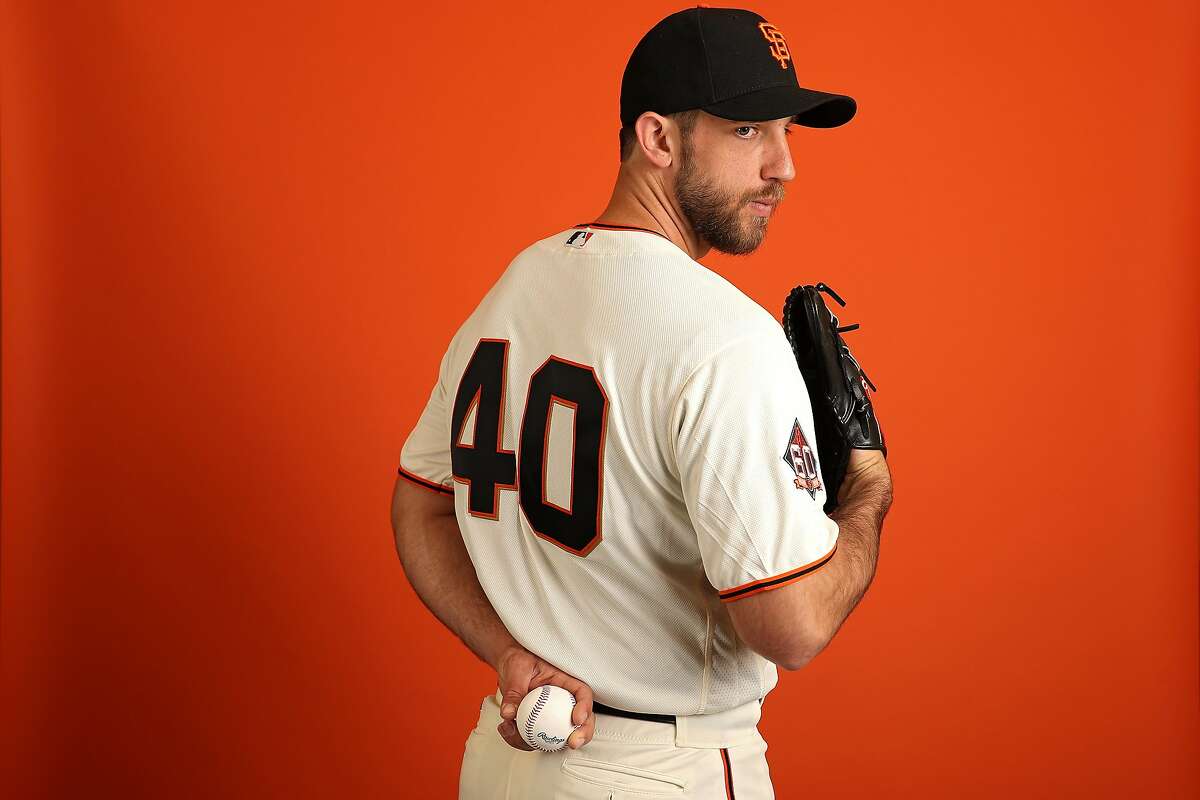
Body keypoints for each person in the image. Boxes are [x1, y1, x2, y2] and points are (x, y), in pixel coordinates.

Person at [390, 6, 893, 798]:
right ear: (658, 139)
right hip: (663, 772)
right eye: (747, 131)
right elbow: (792, 627)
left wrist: (509, 653)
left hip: (505, 764)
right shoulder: (726, 337)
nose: (784, 166)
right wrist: (867, 494)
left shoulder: (515, 288)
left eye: (787, 132)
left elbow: (419, 507)